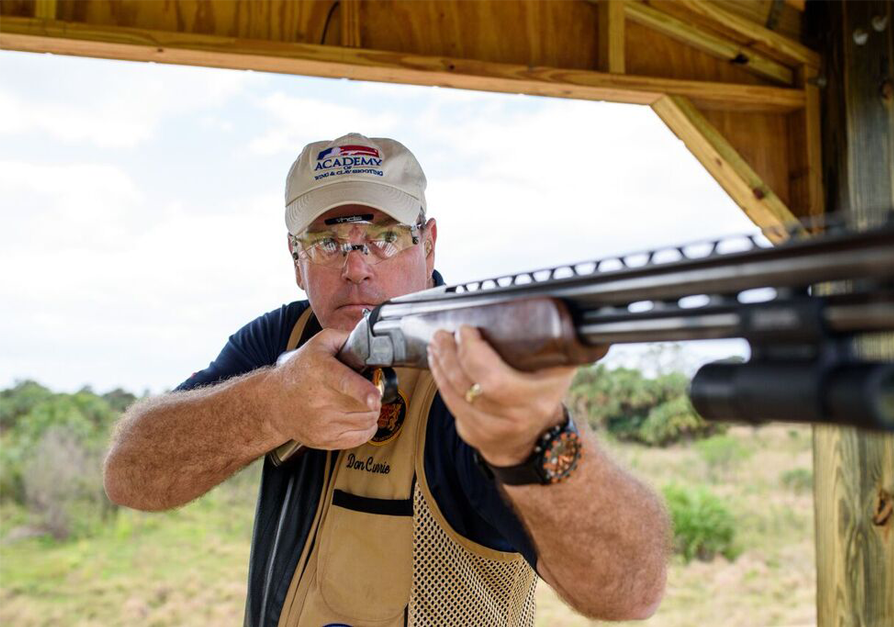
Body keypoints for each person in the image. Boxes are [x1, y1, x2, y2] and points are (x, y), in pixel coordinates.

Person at [103, 132, 670, 626]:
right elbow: (130, 475)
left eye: (386, 236)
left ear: (429, 243)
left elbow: (629, 590)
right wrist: (269, 405)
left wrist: (537, 438)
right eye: (327, 243)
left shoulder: (467, 362)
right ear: (296, 261)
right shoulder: (283, 339)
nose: (356, 266)